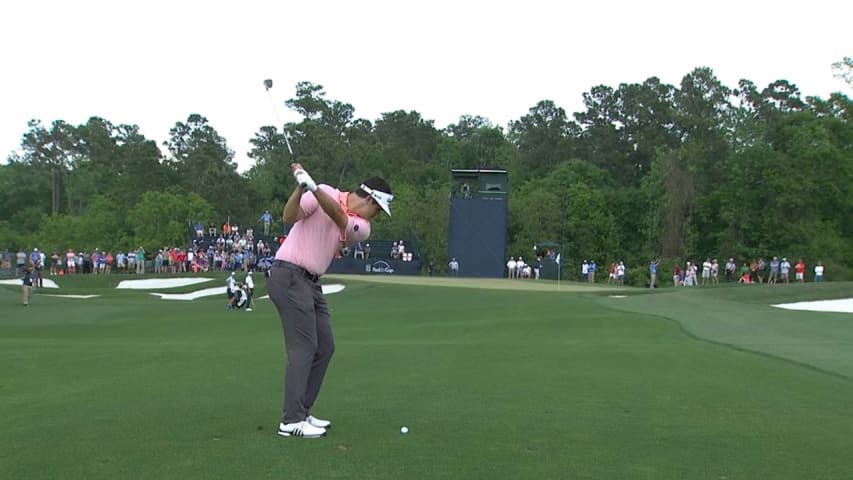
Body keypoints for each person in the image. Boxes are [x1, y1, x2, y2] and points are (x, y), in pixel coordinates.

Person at [267, 163, 392, 439]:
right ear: (370, 200)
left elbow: (337, 215)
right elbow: (289, 217)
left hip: (311, 282)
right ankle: (291, 420)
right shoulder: (323, 191)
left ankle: (302, 410)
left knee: (325, 346)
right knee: (305, 345)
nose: (377, 217)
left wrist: (312, 187)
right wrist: (300, 189)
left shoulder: (363, 227)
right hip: (288, 274)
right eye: (378, 210)